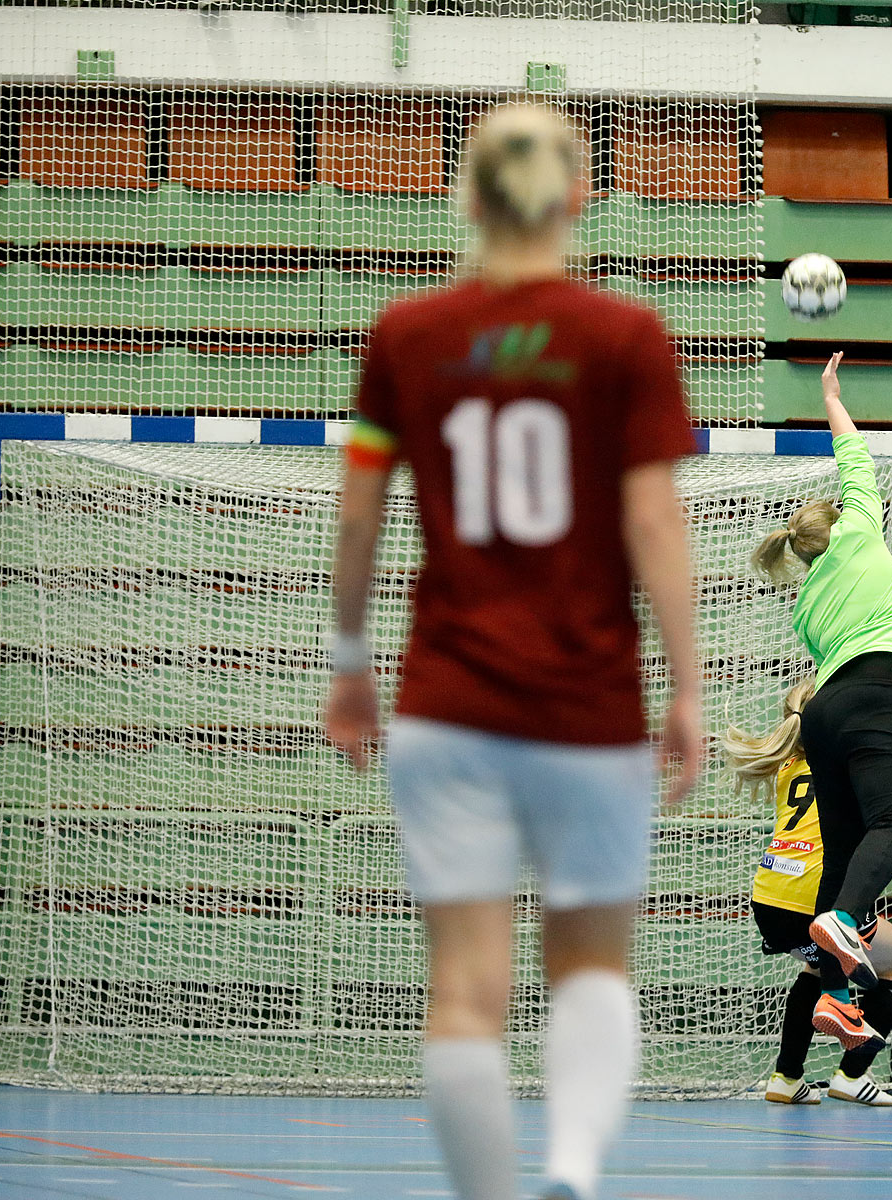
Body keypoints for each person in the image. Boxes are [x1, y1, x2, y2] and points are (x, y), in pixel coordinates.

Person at [323, 102, 701, 1200]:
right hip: (590, 711)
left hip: (446, 708)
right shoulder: (626, 337)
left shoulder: (409, 335)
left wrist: (349, 659)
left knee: (463, 991)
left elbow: (358, 518)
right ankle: (574, 1171)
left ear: (468, 197)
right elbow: (653, 526)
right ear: (578, 196)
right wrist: (686, 685)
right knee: (589, 964)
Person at [750, 351, 892, 1053]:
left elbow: (864, 621)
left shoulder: (808, 604)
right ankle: (844, 923)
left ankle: (832, 995)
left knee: (842, 851)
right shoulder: (863, 530)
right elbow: (853, 453)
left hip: (824, 715)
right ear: (844, 523)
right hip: (880, 694)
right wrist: (831, 392)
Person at [725, 679, 892, 1108]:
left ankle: (786, 1077)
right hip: (813, 894)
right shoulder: (849, 761)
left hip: (770, 896)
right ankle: (852, 1075)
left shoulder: (788, 761)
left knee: (819, 967)